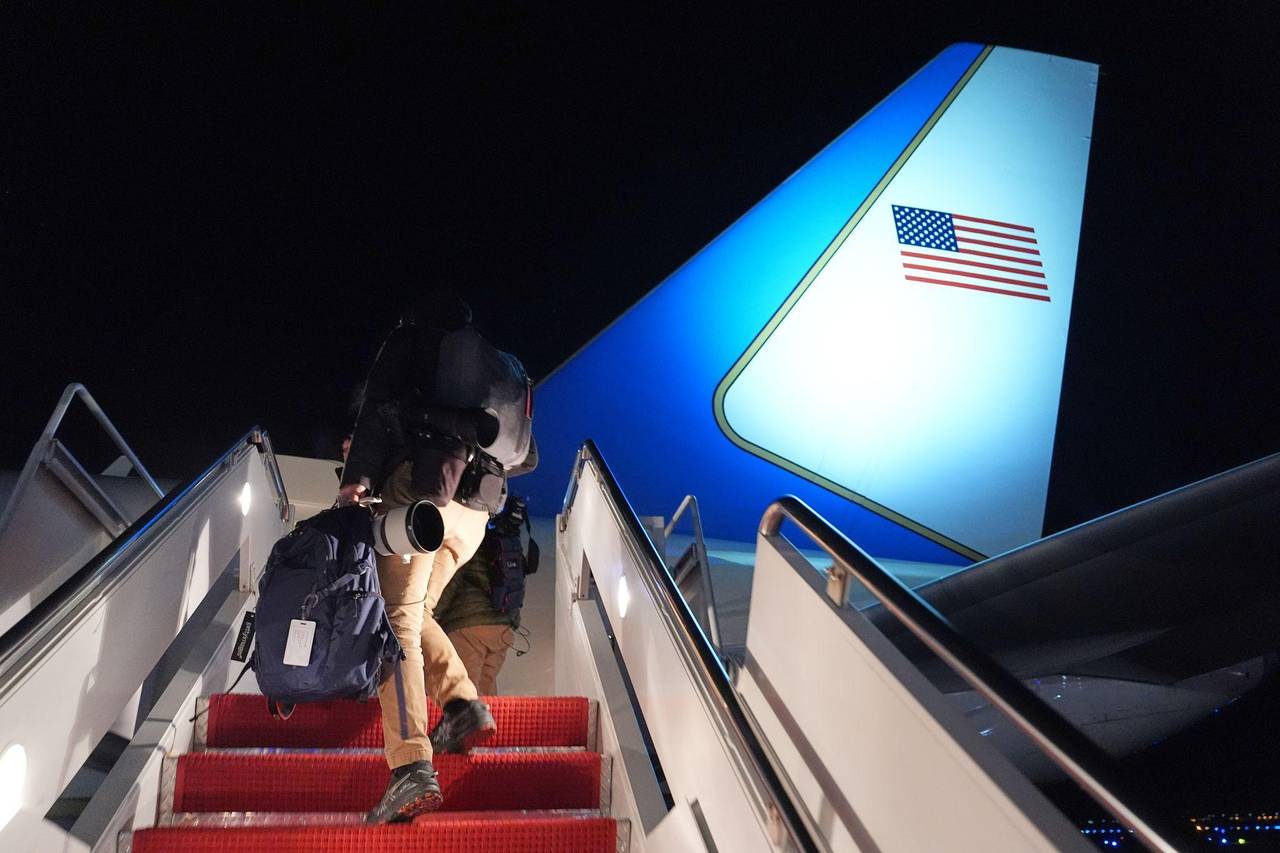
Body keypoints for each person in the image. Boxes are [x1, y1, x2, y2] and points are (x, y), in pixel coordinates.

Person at [336, 292, 537, 823]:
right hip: (473, 512)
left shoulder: (409, 339)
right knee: (417, 610)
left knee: (394, 621)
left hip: (422, 495)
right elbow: (526, 458)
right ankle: (461, 704)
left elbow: (377, 406)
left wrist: (356, 482)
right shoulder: (495, 371)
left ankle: (410, 766)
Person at [433, 496, 533, 695]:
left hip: (468, 626)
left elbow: (451, 581)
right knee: (487, 692)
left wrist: (431, 616)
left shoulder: (470, 538)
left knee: (465, 691)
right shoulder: (509, 541)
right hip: (503, 629)